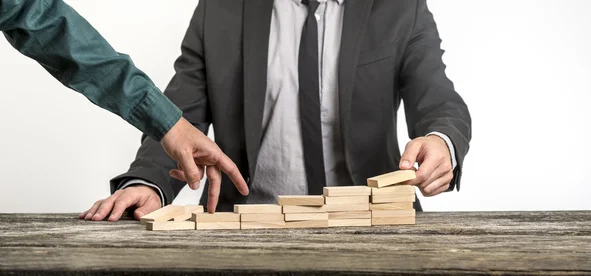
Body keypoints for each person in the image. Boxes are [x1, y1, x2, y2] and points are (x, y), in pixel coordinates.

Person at [81, 0, 472, 221]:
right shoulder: (219, 11)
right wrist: (147, 183)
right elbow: (180, 116)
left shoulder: (400, 8)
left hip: (372, 222)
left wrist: (441, 142)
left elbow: (439, 102)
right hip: (247, 225)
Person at [0, 0, 248, 195]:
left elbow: (43, 21)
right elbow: (42, 20)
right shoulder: (224, 8)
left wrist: (168, 124)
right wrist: (149, 182)